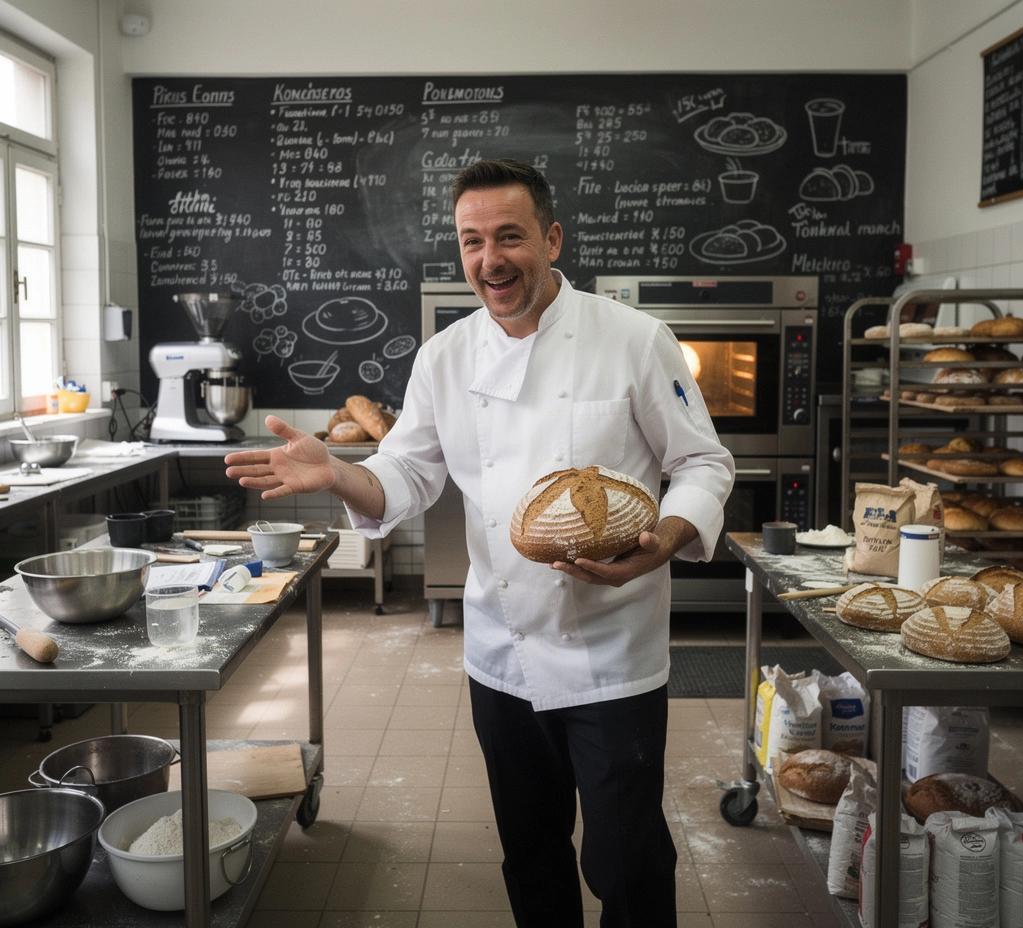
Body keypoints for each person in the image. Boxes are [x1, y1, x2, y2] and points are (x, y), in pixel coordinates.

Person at [225, 158, 735, 927]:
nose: (490, 260)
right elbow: (405, 476)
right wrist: (338, 473)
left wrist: (665, 539)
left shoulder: (633, 339)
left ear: (552, 238)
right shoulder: (446, 356)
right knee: (530, 850)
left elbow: (701, 461)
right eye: (472, 241)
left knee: (628, 862)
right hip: (500, 652)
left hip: (613, 651)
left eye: (509, 236)